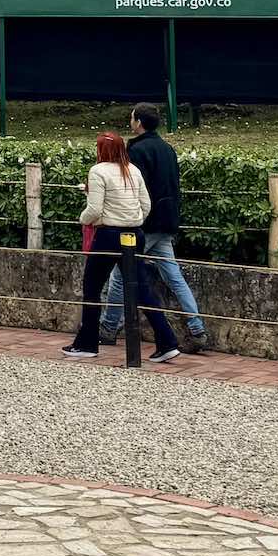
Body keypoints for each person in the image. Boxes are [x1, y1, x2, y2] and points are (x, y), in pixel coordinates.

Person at [66, 110, 190, 363]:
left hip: (109, 234)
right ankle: (166, 340)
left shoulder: (98, 171)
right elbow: (145, 204)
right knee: (142, 289)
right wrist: (133, 221)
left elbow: (95, 209)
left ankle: (88, 342)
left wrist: (84, 219)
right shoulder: (132, 169)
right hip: (134, 233)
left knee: (92, 287)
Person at [97, 104, 212, 355]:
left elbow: (134, 188)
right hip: (167, 219)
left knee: (120, 275)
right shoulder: (167, 148)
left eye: (131, 118)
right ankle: (196, 328)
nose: (130, 122)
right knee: (173, 276)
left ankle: (108, 327)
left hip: (146, 222)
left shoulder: (136, 150)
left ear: (138, 122)